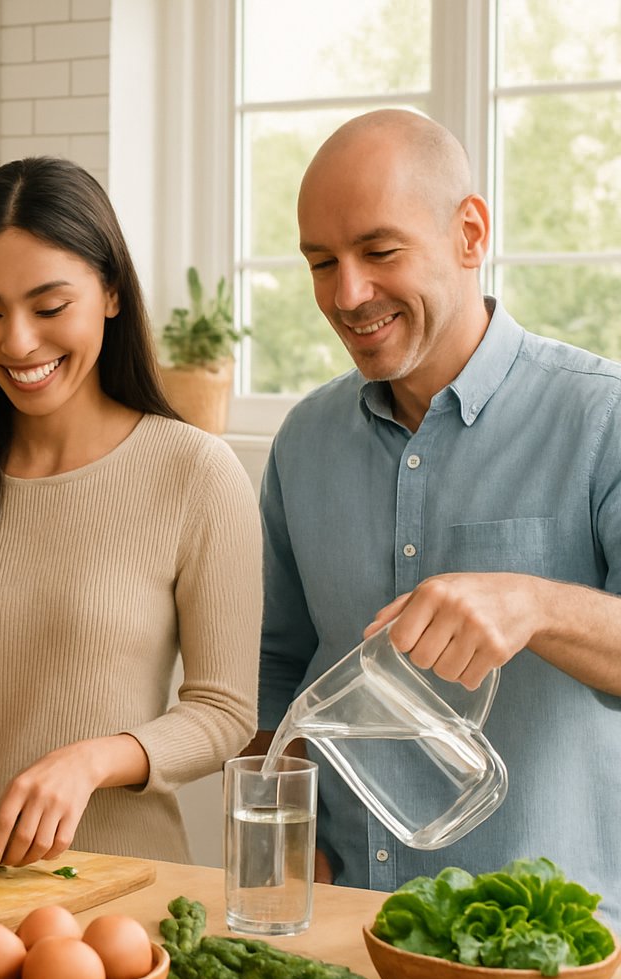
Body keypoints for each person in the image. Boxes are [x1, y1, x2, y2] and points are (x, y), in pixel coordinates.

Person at [251, 108, 621, 906]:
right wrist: (282, 833)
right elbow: (277, 668)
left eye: (380, 251)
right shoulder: (305, 441)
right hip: (349, 928)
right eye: (322, 262)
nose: (348, 294)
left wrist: (534, 605)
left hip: (542, 955)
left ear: (470, 233)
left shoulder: (601, 418)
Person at [0, 157, 261, 871]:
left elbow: (225, 714)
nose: (16, 342)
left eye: (48, 308)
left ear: (109, 293)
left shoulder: (196, 473)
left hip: (122, 886)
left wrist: (96, 761)